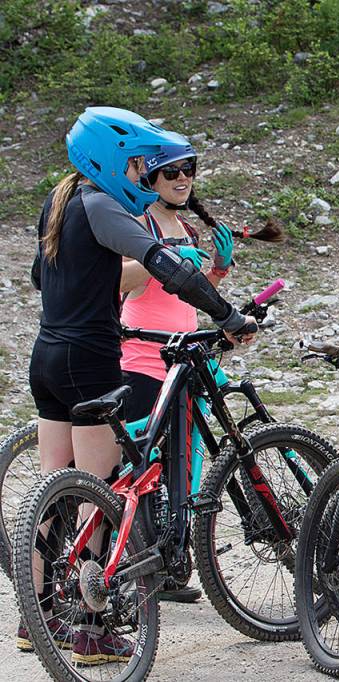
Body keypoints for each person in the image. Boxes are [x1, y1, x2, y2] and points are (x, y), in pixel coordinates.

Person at [21, 107, 257, 662]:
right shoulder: (100, 204)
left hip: (46, 355)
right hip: (90, 359)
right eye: (134, 166)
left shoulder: (59, 199)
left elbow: (37, 276)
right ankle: (91, 628)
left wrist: (92, 278)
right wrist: (227, 316)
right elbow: (164, 266)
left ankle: (38, 619)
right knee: (99, 494)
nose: (138, 175)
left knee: (55, 490)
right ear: (107, 160)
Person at [117, 133, 255, 603]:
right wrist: (165, 260)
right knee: (143, 464)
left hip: (187, 354)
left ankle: (173, 562)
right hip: (143, 358)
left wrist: (217, 269)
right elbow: (119, 280)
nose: (182, 179)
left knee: (186, 459)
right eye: (171, 171)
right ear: (150, 177)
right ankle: (137, 562)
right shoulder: (138, 224)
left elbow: (190, 292)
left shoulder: (186, 228)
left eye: (189, 170)